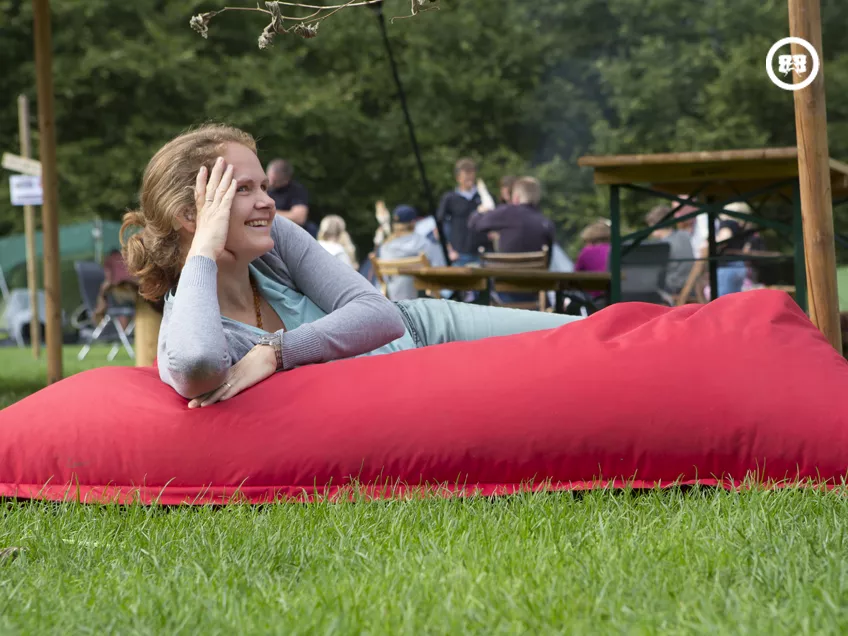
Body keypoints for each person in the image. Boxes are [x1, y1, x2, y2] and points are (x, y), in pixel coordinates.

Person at [121, 124, 583, 407]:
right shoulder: (188, 325)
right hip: (413, 383)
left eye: (264, 186)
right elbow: (198, 365)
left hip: (424, 329)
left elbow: (380, 314)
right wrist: (204, 244)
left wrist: (276, 352)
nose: (268, 201)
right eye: (242, 189)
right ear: (190, 214)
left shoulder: (275, 240)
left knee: (584, 336)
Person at [467, 177, 555, 254]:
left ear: (516, 197)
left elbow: (474, 223)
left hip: (506, 267)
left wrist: (480, 211)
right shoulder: (546, 223)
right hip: (535, 268)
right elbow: (548, 257)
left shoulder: (505, 212)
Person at [378, 205, 447, 301]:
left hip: (396, 301)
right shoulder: (423, 243)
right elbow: (440, 269)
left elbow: (385, 278)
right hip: (422, 301)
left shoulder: (385, 247)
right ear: (413, 222)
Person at [436, 158, 485, 265]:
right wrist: (449, 250)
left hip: (483, 253)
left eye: (472, 175)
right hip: (460, 255)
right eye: (466, 177)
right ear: (458, 178)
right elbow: (438, 227)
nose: (470, 179)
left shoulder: (483, 196)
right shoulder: (449, 198)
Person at [644, 204, 694, 298]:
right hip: (691, 286)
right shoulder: (685, 236)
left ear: (655, 226)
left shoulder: (660, 245)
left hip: (671, 288)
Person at [266, 158, 317, 238]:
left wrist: (268, 213)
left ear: (286, 179)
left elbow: (299, 218)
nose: (270, 182)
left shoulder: (296, 190)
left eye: (275, 180)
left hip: (289, 232)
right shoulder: (263, 188)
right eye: (269, 177)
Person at [93, 248, 137, 329]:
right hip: (133, 292)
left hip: (122, 292)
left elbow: (108, 280)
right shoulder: (128, 259)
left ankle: (123, 331)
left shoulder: (109, 260)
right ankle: (126, 331)